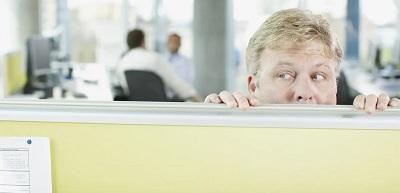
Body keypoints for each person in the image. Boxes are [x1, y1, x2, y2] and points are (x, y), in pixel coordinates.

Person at [204, 8, 400, 113]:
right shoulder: (235, 134)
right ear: (253, 86)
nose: (305, 93)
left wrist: (383, 121)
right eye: (285, 75)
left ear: (335, 87)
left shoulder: (359, 133)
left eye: (318, 76)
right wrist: (216, 124)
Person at [116, 29, 201, 102]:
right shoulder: (154, 58)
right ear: (143, 42)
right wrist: (194, 95)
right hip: (160, 106)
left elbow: (125, 87)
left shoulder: (122, 62)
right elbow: (175, 82)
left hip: (135, 108)